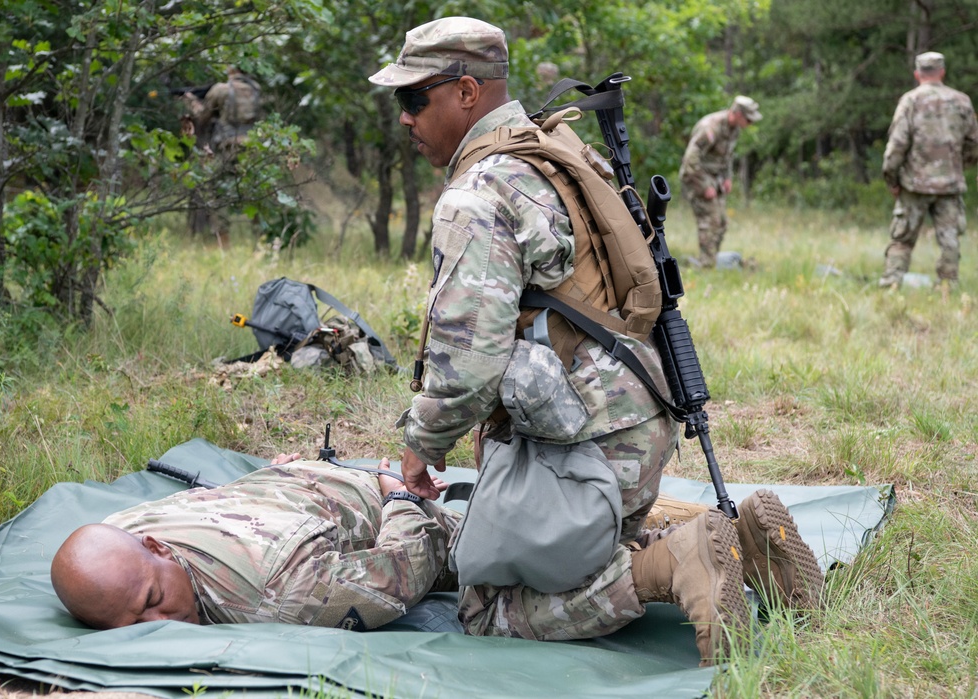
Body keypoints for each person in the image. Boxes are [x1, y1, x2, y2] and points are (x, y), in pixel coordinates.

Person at [369, 17, 820, 666]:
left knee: (486, 607)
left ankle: (676, 563)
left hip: (590, 445)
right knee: (572, 541)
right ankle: (744, 544)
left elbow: (466, 362)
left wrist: (420, 450)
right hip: (643, 413)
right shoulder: (560, 149)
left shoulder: (478, 193)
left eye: (414, 99)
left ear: (467, 92)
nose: (405, 118)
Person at [50, 455, 459, 630]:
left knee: (496, 565)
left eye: (153, 599)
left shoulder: (278, 595)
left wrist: (400, 498)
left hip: (380, 498)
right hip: (300, 484)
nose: (159, 625)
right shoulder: (123, 526)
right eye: (132, 627)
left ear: (154, 546)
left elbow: (409, 565)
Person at [879, 51, 978, 290]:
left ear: (917, 74)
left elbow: (896, 147)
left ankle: (891, 285)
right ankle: (947, 287)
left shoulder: (910, 101)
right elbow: (974, 144)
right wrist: (957, 166)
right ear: (942, 72)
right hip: (950, 184)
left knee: (902, 239)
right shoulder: (962, 101)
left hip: (914, 184)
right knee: (949, 240)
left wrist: (892, 179)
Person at [181, 66, 262, 247]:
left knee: (217, 194)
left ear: (231, 69)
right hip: (253, 147)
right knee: (256, 192)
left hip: (229, 147)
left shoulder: (221, 90)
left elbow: (203, 116)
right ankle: (261, 240)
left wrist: (192, 102)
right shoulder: (255, 88)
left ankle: (224, 243)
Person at [678, 95, 762, 268]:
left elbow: (727, 157)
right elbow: (690, 160)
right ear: (737, 114)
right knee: (710, 221)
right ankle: (706, 266)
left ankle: (710, 260)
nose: (750, 123)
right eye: (748, 119)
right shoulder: (711, 127)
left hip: (715, 179)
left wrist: (728, 177)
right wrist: (704, 185)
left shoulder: (734, 129)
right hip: (697, 177)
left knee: (722, 222)